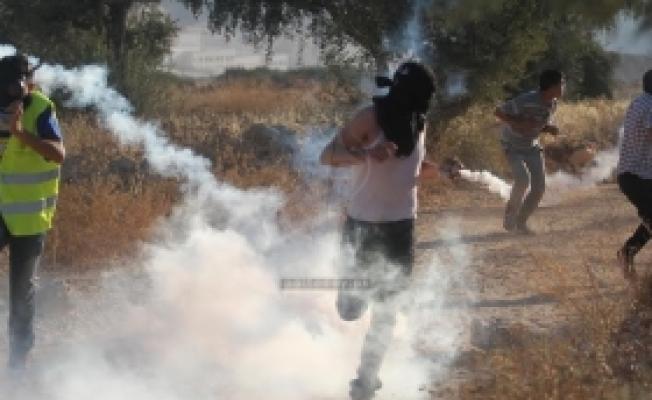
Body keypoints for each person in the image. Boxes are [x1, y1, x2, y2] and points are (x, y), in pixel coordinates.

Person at [319, 61, 459, 400]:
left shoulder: (418, 122)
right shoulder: (369, 118)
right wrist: (366, 153)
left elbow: (413, 168)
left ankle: (365, 382)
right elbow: (328, 155)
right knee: (350, 311)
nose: (424, 104)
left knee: (388, 310)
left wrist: (442, 171)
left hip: (401, 228)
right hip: (362, 227)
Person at [0, 53, 65, 371]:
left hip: (29, 215)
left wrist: (20, 132)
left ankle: (18, 361)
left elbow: (58, 153)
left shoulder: (39, 108)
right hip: (1, 209)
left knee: (21, 291)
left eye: (22, 81)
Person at [495, 69, 564, 234]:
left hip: (532, 146)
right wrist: (517, 123)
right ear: (552, 86)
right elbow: (498, 112)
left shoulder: (552, 104)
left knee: (539, 187)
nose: (563, 88)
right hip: (512, 146)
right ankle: (510, 215)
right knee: (522, 180)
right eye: (561, 84)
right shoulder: (526, 100)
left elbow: (538, 123)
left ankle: (521, 222)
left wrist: (549, 128)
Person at [616, 69, 652, 279]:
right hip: (638, 176)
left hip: (635, 175)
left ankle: (627, 253)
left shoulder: (639, 102)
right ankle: (626, 253)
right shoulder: (650, 105)